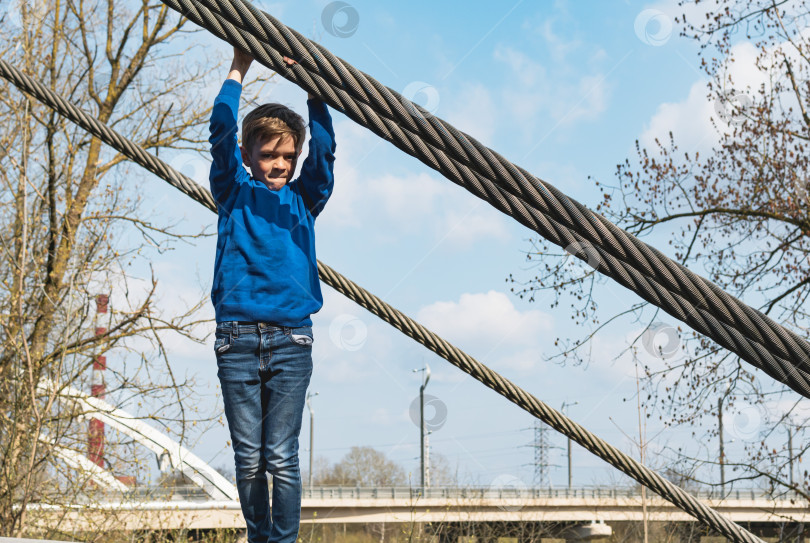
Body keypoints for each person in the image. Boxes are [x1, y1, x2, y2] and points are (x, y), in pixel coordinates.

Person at [208, 47, 335, 543]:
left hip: (291, 340)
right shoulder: (232, 190)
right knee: (247, 457)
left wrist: (313, 89)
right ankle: (259, 536)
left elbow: (324, 151)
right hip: (235, 339)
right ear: (248, 156)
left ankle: (281, 541)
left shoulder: (306, 199)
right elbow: (220, 130)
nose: (279, 162)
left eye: (287, 155)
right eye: (268, 153)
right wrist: (239, 67)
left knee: (280, 454)